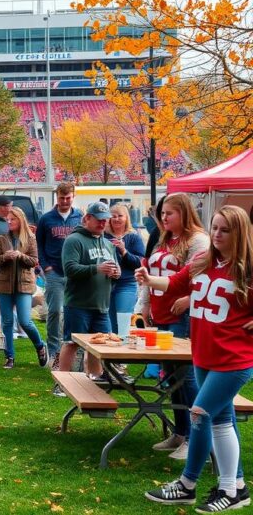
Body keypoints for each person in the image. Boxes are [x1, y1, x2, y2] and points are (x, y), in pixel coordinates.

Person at [139, 205, 253, 512]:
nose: (216, 234)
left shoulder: (247, 268)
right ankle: (236, 487)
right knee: (221, 419)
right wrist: (149, 281)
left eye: (224, 230)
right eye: (214, 227)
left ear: (239, 233)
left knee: (201, 414)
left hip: (234, 359)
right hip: (203, 353)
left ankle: (191, 484)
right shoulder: (203, 261)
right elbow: (175, 283)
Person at [139, 193, 209, 460]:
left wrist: (190, 298)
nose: (164, 218)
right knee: (171, 376)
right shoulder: (163, 239)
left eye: (169, 213)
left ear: (185, 212)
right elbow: (149, 273)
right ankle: (180, 431)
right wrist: (144, 305)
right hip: (161, 313)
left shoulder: (198, 241)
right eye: (162, 213)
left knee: (186, 375)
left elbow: (203, 276)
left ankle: (194, 436)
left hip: (184, 315)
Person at [55, 202, 120, 393]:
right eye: (99, 220)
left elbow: (113, 268)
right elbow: (70, 269)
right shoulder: (74, 240)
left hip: (101, 304)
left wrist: (115, 274)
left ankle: (94, 381)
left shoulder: (108, 244)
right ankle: (62, 383)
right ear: (87, 219)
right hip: (78, 302)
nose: (102, 224)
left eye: (105, 220)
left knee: (98, 345)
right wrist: (96, 268)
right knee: (71, 342)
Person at [0, 207, 48, 369]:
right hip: (4, 284)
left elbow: (34, 260)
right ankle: (9, 356)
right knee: (7, 321)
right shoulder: (1, 238)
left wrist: (20, 255)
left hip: (24, 284)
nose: (9, 222)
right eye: (7, 219)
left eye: (12, 219)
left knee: (25, 320)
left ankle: (40, 345)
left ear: (20, 220)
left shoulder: (30, 238)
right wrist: (5, 257)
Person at [36, 182, 83, 368]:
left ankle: (74, 349)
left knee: (75, 311)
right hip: (54, 271)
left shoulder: (80, 217)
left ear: (73, 196)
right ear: (57, 197)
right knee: (54, 310)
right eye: (61, 197)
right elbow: (39, 244)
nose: (64, 201)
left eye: (68, 198)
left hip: (76, 272)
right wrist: (45, 266)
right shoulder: (46, 219)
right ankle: (54, 351)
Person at [106, 203, 145, 337]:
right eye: (113, 216)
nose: (116, 219)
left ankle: (122, 351)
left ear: (126, 218)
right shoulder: (104, 236)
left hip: (126, 283)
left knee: (123, 319)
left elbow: (139, 262)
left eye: (120, 216)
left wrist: (123, 251)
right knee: (110, 324)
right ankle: (111, 354)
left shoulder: (133, 237)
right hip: (106, 284)